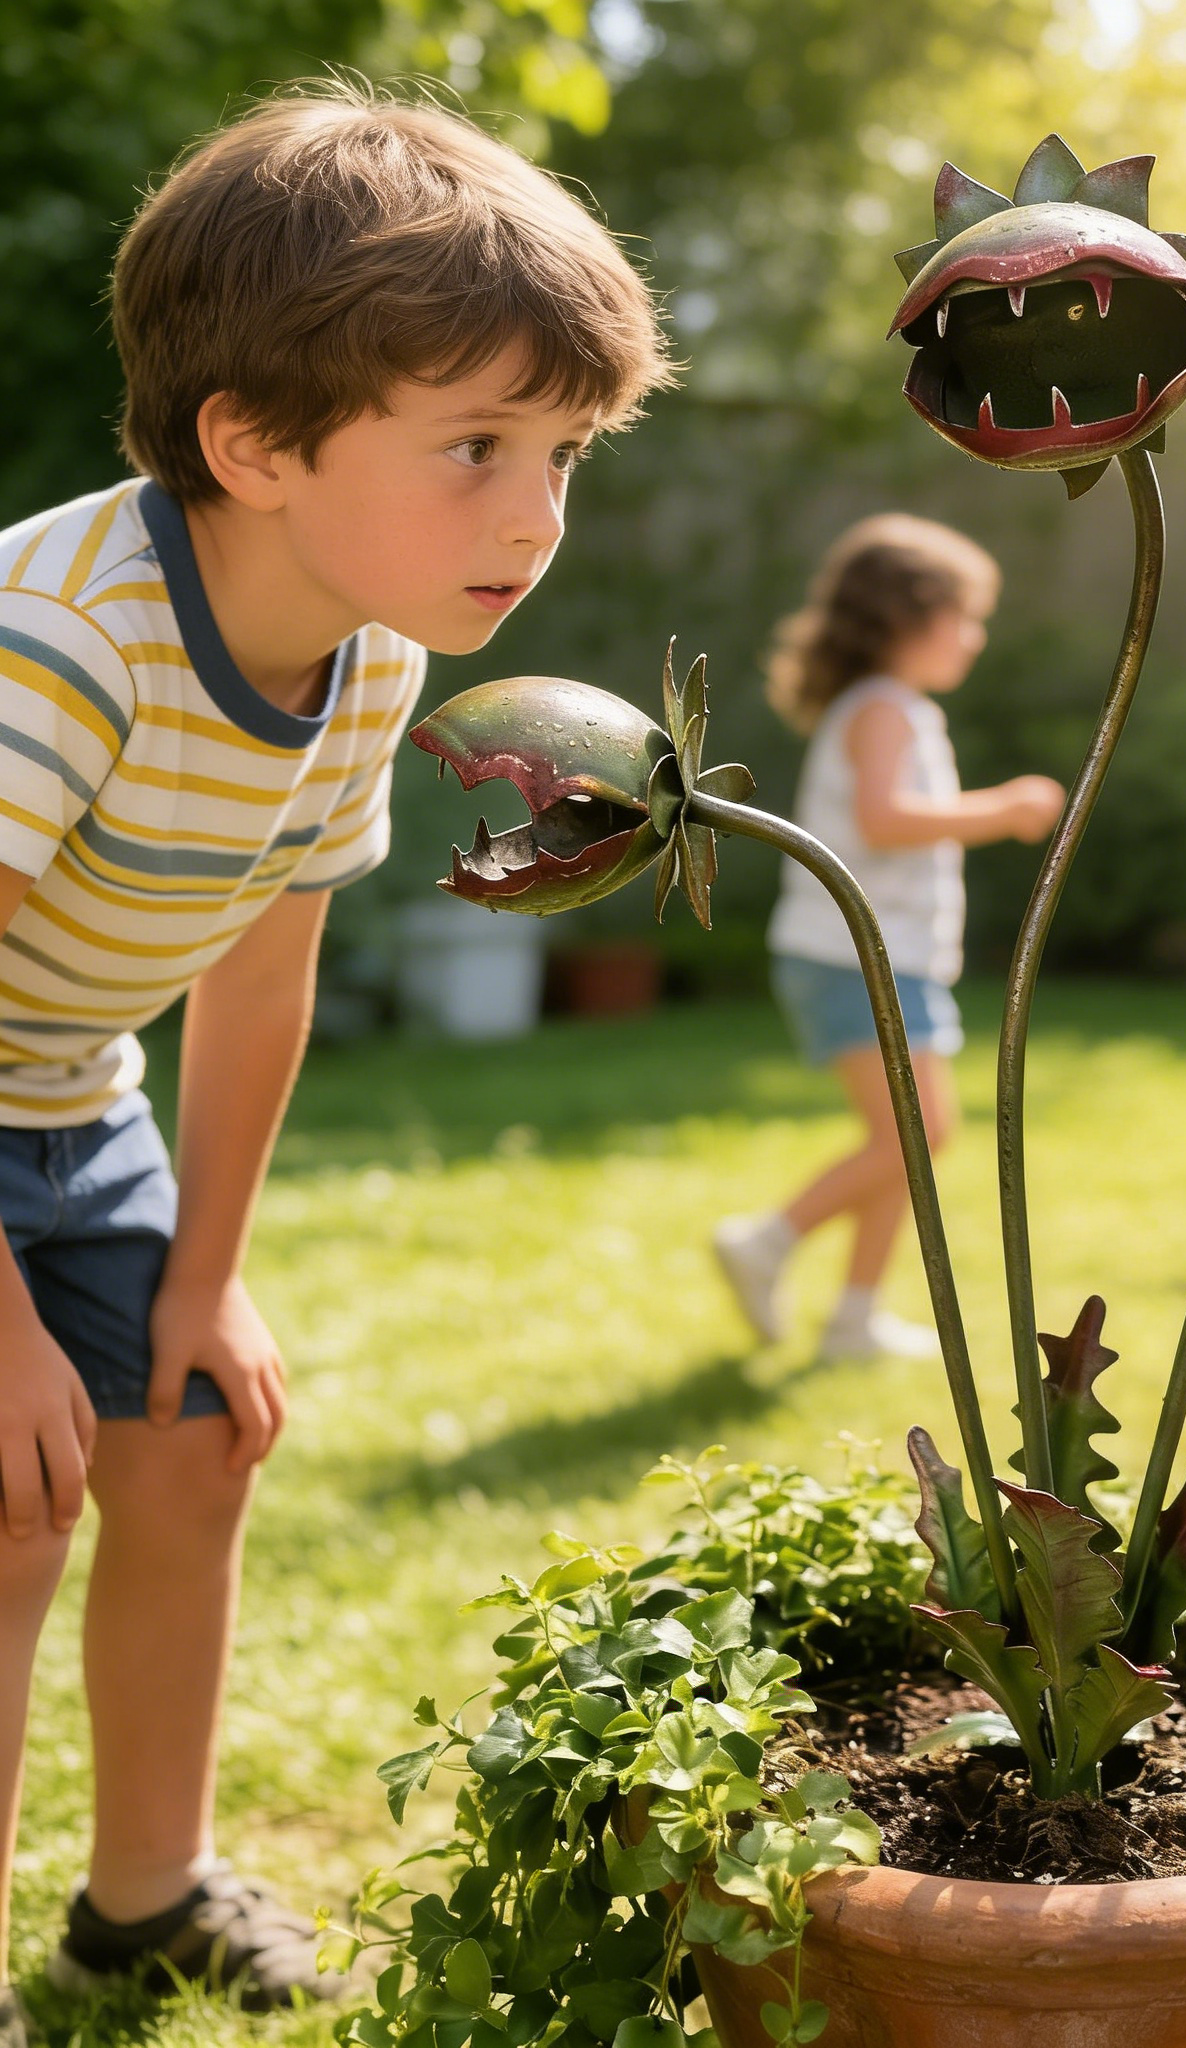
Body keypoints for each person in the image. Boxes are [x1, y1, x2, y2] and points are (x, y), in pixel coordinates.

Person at [0, 84, 669, 2040]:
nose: (534, 516)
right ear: (255, 442)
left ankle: (146, 1897)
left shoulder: (368, 657)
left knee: (194, 1431)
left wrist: (198, 1275)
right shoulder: (63, 647)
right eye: (473, 446)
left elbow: (258, 976)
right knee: (14, 1506)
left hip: (63, 1103)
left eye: (563, 453)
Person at [712, 517, 1062, 1362]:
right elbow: (884, 819)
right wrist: (1004, 809)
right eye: (965, 617)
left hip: (879, 959)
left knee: (907, 1144)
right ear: (907, 619)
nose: (975, 637)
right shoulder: (883, 712)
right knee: (921, 1135)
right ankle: (767, 1241)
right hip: (853, 959)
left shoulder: (888, 710)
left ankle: (854, 1321)